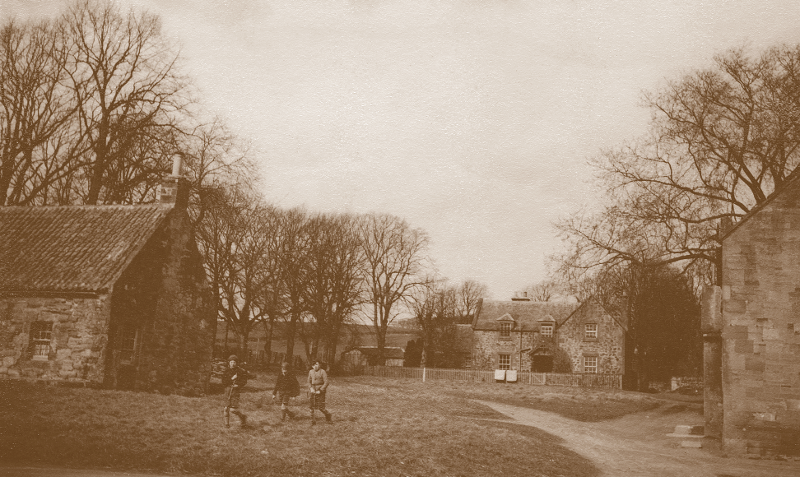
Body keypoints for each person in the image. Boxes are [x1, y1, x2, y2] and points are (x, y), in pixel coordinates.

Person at [222, 354, 248, 428]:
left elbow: (244, 381)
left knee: (233, 410)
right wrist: (232, 379)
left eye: (234, 362)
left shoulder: (240, 371)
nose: (232, 364)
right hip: (227, 391)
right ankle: (227, 425)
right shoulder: (226, 371)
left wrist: (238, 385)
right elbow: (223, 382)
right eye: (231, 362)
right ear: (229, 363)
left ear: (236, 363)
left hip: (235, 391)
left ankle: (242, 417)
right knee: (226, 408)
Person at [307, 360, 332, 424]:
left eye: (317, 364)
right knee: (311, 406)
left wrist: (320, 390)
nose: (315, 366)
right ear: (312, 366)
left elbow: (326, 382)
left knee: (321, 407)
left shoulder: (322, 371)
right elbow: (309, 381)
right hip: (312, 390)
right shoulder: (310, 371)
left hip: (320, 391)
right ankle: (312, 421)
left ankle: (328, 415)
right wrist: (311, 388)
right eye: (314, 365)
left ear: (319, 365)